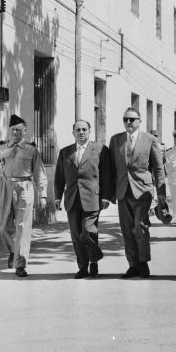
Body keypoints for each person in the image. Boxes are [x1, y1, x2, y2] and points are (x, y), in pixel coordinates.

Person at [0, 114, 47, 278]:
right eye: (13, 130)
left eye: (19, 130)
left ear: (24, 131)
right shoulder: (1, 149)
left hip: (25, 188)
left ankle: (20, 264)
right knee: (3, 227)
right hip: (5, 187)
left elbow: (39, 172)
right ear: (9, 131)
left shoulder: (31, 150)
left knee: (22, 228)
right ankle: (13, 250)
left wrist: (43, 195)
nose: (15, 133)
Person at [109, 107, 166, 278]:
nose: (128, 122)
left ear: (139, 121)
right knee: (127, 229)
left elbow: (158, 167)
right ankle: (132, 264)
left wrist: (161, 192)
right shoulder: (115, 140)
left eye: (132, 119)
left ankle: (143, 262)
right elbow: (111, 168)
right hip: (122, 191)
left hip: (142, 191)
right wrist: (110, 192)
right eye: (126, 119)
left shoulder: (149, 140)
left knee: (140, 227)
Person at [54, 119, 113, 278]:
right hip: (72, 198)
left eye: (84, 129)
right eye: (78, 130)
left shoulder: (100, 149)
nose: (81, 132)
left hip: (92, 197)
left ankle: (94, 260)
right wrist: (57, 196)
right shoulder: (65, 152)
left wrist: (106, 197)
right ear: (73, 132)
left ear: (89, 131)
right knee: (76, 235)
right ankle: (83, 267)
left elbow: (106, 175)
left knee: (88, 231)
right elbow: (60, 176)